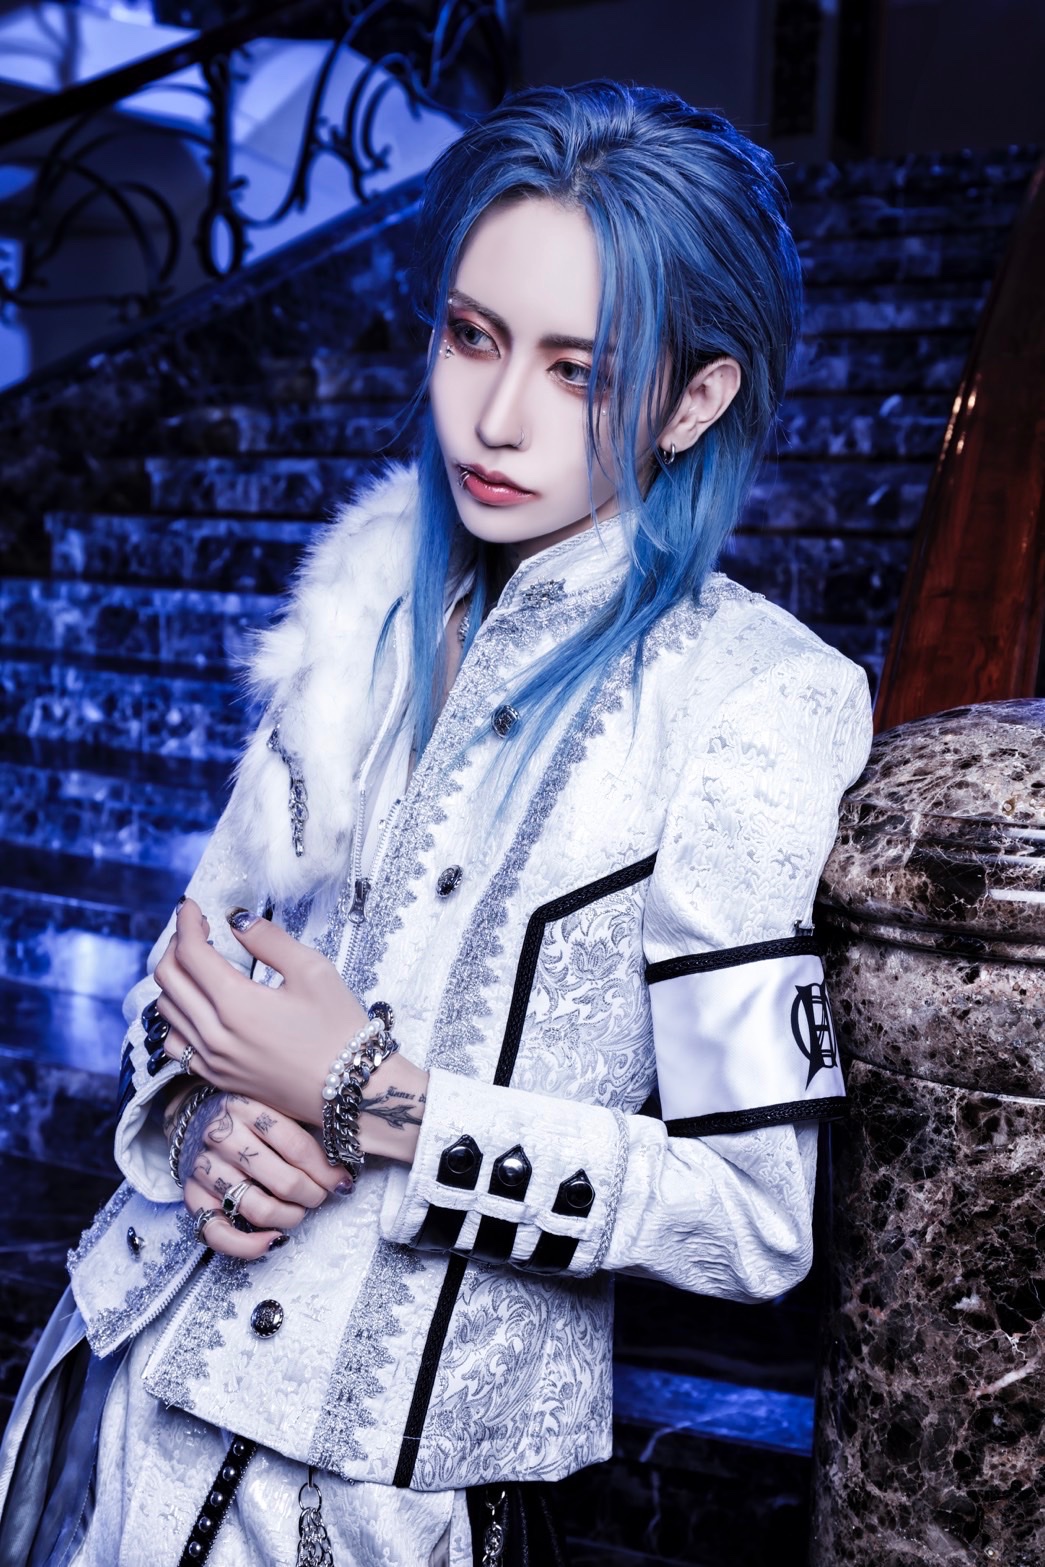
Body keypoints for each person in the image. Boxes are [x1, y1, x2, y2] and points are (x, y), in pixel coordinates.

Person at [0, 79, 872, 1567]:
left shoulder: (757, 700)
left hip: (380, 1509)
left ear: (695, 398)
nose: (496, 416)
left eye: (578, 369)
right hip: (116, 1398)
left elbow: (751, 1218)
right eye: (472, 335)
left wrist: (369, 1100)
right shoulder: (363, 601)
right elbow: (186, 977)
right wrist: (207, 1122)